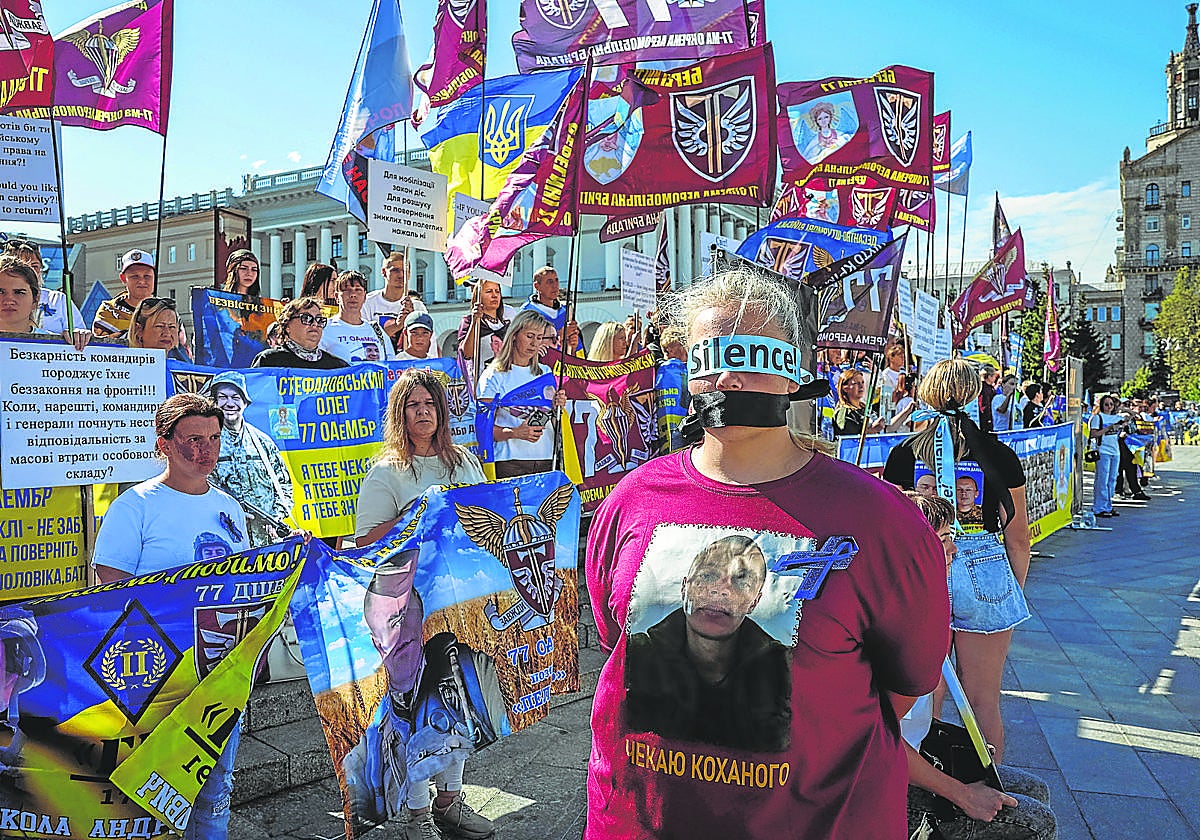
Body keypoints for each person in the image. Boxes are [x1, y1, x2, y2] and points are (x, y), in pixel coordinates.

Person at [586, 267, 949, 839]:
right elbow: (617, 644)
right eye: (713, 355)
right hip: (638, 820)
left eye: (755, 354)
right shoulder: (633, 500)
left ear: (793, 375)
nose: (731, 376)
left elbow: (909, 682)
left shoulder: (881, 522)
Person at [91, 394, 252, 839]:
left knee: (216, 789)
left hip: (219, 671)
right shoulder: (135, 505)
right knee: (142, 797)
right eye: (193, 440)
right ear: (163, 443)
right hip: (152, 676)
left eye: (215, 439)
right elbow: (110, 592)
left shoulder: (230, 508)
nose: (206, 451)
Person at [883, 358, 1031, 762]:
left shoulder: (903, 454)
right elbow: (1018, 539)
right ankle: (992, 794)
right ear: (974, 394)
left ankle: (914, 790)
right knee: (984, 700)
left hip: (922, 567)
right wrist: (1008, 595)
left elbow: (891, 529)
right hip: (986, 569)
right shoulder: (999, 454)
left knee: (919, 694)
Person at [894, 493, 1056, 840]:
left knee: (1034, 789)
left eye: (952, 536)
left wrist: (961, 748)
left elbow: (911, 724)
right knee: (1035, 822)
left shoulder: (922, 608)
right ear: (910, 548)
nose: (954, 549)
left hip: (916, 760)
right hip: (892, 786)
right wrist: (962, 794)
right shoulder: (896, 631)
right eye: (942, 539)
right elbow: (877, 740)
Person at [624, 534, 790, 751]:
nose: (721, 590)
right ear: (685, 587)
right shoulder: (638, 655)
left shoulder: (782, 667)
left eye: (741, 581)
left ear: (754, 601)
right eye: (709, 575)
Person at [356, 368, 487, 546]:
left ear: (441, 410)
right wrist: (419, 514)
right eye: (413, 405)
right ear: (399, 414)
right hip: (420, 570)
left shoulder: (465, 459)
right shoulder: (384, 473)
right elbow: (365, 541)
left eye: (430, 403)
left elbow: (490, 508)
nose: (423, 411)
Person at [206, 371, 294, 547]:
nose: (230, 403)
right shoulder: (207, 443)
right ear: (214, 403)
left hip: (267, 543)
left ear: (245, 403)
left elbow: (284, 485)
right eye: (223, 397)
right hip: (226, 542)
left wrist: (276, 516)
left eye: (235, 397)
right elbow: (200, 489)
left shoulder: (262, 442)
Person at [477, 310, 566, 479]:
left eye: (539, 338)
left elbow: (556, 422)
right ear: (514, 335)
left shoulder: (546, 373)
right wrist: (515, 432)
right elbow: (483, 428)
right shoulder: (493, 375)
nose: (534, 343)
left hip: (546, 461)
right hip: (509, 463)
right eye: (530, 336)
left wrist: (558, 407)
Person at [2, 239, 89, 347]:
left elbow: (79, 333)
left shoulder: (58, 299)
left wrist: (79, 334)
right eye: (23, 266)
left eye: (35, 266)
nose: (31, 272)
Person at [251, 297, 350, 370]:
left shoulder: (338, 367)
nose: (315, 324)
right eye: (306, 318)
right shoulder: (269, 361)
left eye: (319, 320)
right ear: (287, 325)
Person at [320, 270, 395, 362]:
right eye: (347, 290)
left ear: (365, 296)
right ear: (336, 297)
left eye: (358, 290)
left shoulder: (377, 330)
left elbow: (391, 365)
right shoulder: (324, 328)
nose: (353, 295)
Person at [362, 250, 428, 345]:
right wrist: (397, 325)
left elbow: (424, 343)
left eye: (404, 271)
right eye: (395, 270)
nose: (401, 275)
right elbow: (364, 339)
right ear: (384, 272)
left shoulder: (417, 307)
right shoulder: (367, 302)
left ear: (409, 274)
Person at [93, 249, 155, 341]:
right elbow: (102, 345)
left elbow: (178, 345)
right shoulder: (108, 310)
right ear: (123, 278)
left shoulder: (165, 311)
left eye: (147, 276)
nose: (142, 281)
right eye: (135, 276)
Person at [456, 279, 511, 377]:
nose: (494, 295)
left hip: (506, 379)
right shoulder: (469, 321)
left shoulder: (506, 324)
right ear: (478, 296)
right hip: (482, 380)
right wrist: (475, 321)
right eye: (489, 291)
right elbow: (467, 354)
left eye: (497, 291)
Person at [1089, 394, 1127, 518]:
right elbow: (1093, 434)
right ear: (1101, 405)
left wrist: (1123, 408)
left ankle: (1108, 505)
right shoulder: (1098, 418)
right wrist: (1108, 428)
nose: (1109, 407)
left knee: (1112, 480)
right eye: (1106, 404)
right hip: (1103, 450)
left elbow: (1132, 416)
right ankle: (1099, 507)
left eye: (1111, 404)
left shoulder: (1117, 417)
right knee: (1102, 480)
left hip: (1115, 451)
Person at [831, 368, 886, 437]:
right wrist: (872, 430)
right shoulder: (843, 412)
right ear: (845, 388)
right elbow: (847, 439)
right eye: (856, 383)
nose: (861, 386)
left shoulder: (865, 408)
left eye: (862, 382)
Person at [978, 365, 999, 433]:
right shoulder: (984, 388)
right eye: (994, 376)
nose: (995, 378)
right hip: (986, 420)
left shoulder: (989, 388)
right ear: (989, 376)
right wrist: (988, 419)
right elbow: (984, 405)